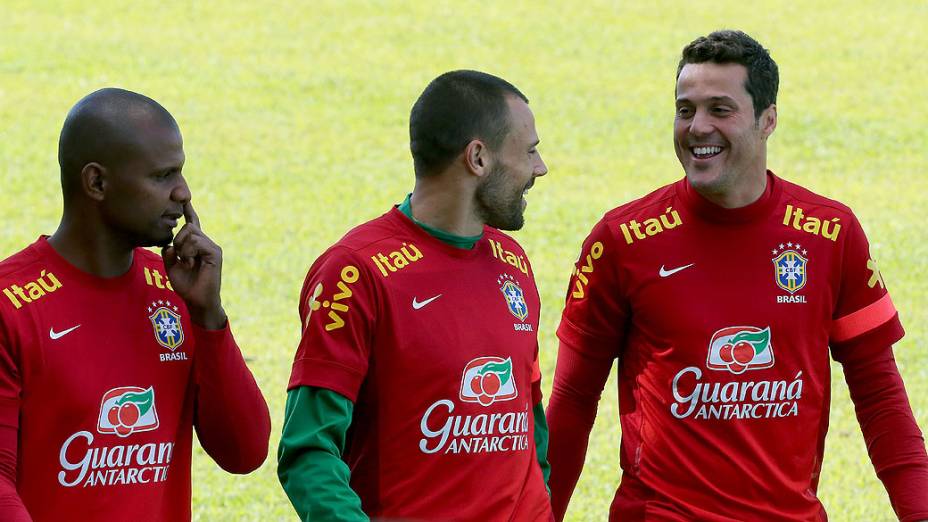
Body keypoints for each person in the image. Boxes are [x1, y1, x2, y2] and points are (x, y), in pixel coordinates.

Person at [546, 30, 928, 521]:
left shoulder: (831, 234)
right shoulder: (624, 240)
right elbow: (574, 400)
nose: (697, 127)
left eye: (719, 110)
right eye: (686, 110)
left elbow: (880, 396)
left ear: (768, 120)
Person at [278, 70, 553, 521]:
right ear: (478, 158)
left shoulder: (513, 263)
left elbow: (529, 417)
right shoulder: (356, 273)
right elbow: (309, 450)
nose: (540, 168)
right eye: (530, 151)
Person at [0, 88, 271, 521]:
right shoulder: (11, 307)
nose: (183, 193)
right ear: (97, 182)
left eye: (180, 172)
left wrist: (208, 318)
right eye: (163, 176)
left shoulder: (174, 290)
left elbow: (245, 451)